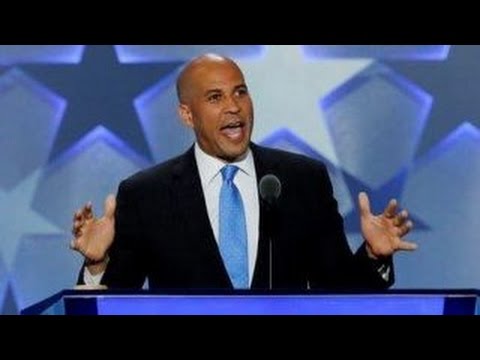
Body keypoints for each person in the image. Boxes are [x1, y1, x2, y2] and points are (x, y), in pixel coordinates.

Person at [71, 53, 416, 290]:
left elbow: (338, 290)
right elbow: (116, 302)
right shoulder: (146, 194)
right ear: (187, 115)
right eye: (215, 97)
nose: (234, 107)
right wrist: (98, 265)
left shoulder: (303, 181)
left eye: (240, 92)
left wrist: (373, 256)